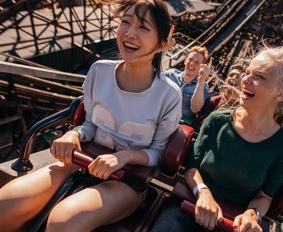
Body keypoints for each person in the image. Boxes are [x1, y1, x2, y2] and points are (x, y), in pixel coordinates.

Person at [0, 0, 181, 231]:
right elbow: (91, 124)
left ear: (162, 44)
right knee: (6, 205)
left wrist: (125, 157)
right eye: (126, 22)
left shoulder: (169, 95)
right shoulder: (99, 71)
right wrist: (73, 134)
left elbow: (157, 153)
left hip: (127, 180)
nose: (130, 32)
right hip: (83, 161)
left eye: (143, 28)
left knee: (64, 221)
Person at [152, 45, 283, 232]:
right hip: (191, 205)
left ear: (282, 94)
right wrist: (203, 192)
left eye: (259, 76)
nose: (245, 79)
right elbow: (191, 169)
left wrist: (252, 214)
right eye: (248, 73)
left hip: (232, 223)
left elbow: (265, 197)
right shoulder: (217, 121)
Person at [164, 46, 212, 126]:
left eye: (197, 62)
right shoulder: (170, 74)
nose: (192, 63)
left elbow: (195, 109)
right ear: (185, 60)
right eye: (190, 59)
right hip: (160, 116)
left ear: (202, 66)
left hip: (181, 124)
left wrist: (201, 80)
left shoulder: (203, 86)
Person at [193, 64, 242, 132]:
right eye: (231, 75)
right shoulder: (213, 100)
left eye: (238, 77)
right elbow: (200, 126)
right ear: (225, 80)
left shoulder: (243, 108)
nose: (233, 78)